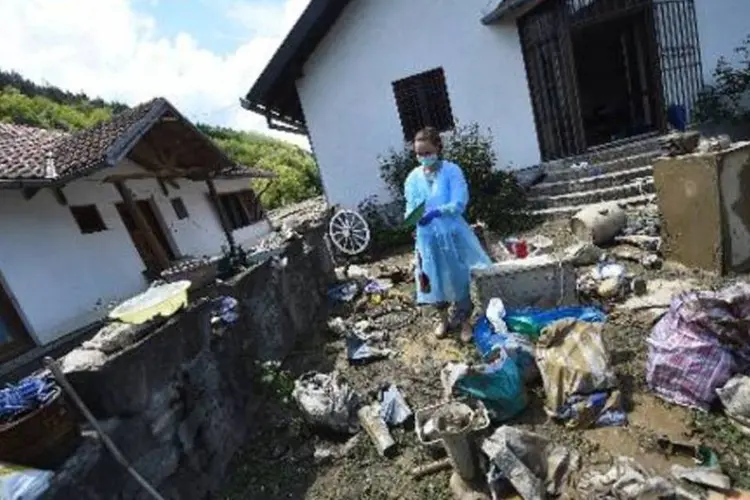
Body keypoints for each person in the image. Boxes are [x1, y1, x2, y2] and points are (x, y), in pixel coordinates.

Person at [404, 127, 492, 342]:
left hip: (452, 233)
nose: (423, 158)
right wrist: (413, 217)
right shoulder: (413, 177)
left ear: (438, 148)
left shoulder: (452, 171)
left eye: (427, 152)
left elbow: (459, 201)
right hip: (427, 236)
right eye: (419, 154)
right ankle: (443, 319)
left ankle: (464, 322)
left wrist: (438, 211)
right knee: (432, 277)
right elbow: (410, 204)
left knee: (457, 277)